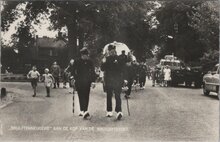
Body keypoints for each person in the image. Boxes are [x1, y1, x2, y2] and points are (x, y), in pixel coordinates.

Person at [101, 45, 127, 120]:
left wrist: (125, 79)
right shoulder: (106, 59)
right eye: (111, 51)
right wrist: (103, 62)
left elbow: (123, 69)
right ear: (109, 51)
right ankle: (109, 111)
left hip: (117, 80)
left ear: (115, 51)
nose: (112, 52)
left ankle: (119, 111)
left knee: (117, 95)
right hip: (108, 80)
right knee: (109, 95)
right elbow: (102, 69)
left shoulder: (119, 58)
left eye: (113, 51)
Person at [72, 48, 96, 119]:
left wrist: (93, 81)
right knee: (81, 95)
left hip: (87, 81)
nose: (86, 56)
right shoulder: (77, 61)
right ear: (82, 55)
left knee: (86, 96)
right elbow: (73, 70)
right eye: (85, 55)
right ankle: (82, 110)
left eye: (87, 55)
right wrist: (73, 78)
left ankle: (85, 110)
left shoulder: (90, 62)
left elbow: (92, 72)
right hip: (79, 81)